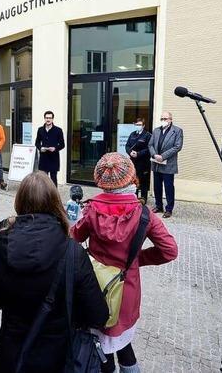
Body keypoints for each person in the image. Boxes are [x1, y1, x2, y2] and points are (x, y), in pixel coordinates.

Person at [0, 172, 108, 373]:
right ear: (55, 203)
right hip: (60, 359)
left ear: (19, 202)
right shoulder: (73, 253)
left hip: (13, 358)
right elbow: (98, 315)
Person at [71, 153, 178, 373]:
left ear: (101, 181)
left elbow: (74, 239)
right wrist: (138, 260)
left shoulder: (91, 209)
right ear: (131, 178)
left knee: (102, 345)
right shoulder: (144, 214)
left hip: (96, 288)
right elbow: (170, 250)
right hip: (126, 290)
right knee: (120, 341)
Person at [148, 111, 183, 218]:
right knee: (157, 186)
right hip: (156, 163)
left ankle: (169, 209)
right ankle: (158, 205)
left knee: (168, 187)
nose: (163, 120)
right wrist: (154, 155)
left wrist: (163, 156)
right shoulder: (156, 130)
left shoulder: (177, 131)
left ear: (170, 119)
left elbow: (177, 147)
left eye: (166, 118)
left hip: (168, 164)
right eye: (162, 118)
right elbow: (150, 144)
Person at [125, 118, 152, 203]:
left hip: (143, 162)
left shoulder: (148, 135)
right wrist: (130, 152)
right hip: (133, 162)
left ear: (143, 126)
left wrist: (138, 154)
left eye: (139, 125)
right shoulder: (132, 134)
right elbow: (127, 145)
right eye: (136, 125)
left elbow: (149, 149)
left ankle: (143, 198)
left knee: (143, 181)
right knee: (134, 180)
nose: (138, 126)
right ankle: (134, 198)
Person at [34, 111, 65, 186]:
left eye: (50, 118)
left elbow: (62, 144)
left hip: (53, 158)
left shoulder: (58, 130)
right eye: (47, 118)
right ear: (44, 118)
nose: (48, 119)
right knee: (43, 179)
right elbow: (37, 142)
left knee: (53, 179)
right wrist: (40, 148)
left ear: (52, 119)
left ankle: (54, 196)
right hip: (43, 158)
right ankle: (43, 195)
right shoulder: (40, 130)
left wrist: (55, 148)